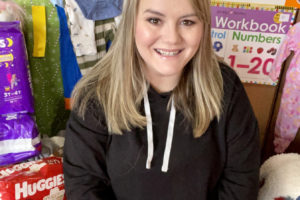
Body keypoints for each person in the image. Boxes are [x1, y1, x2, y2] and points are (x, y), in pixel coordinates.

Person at [63, 0, 260, 199]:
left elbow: (241, 184)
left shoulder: (226, 88)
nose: (171, 38)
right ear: (131, 22)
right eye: (154, 20)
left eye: (188, 22)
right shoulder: (95, 93)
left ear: (204, 26)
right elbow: (84, 187)